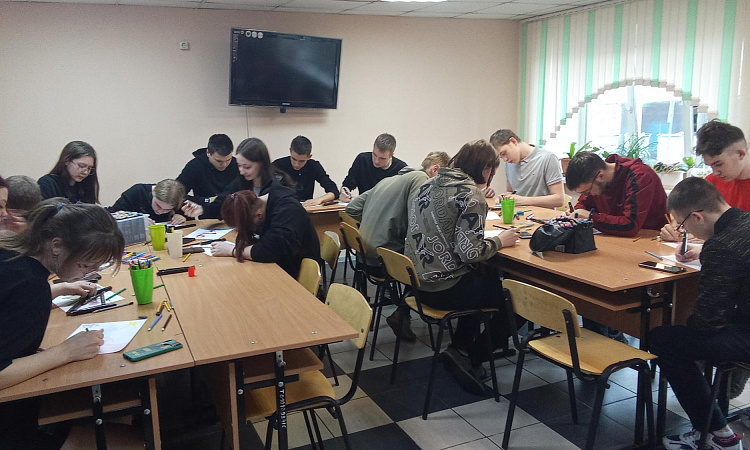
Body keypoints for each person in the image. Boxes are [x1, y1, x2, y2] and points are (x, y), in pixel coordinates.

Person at [0, 199, 124, 449]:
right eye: (85, 265)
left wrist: (57, 289)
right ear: (57, 246)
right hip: (10, 427)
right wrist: (66, 351)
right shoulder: (30, 288)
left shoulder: (12, 257)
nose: (87, 273)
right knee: (138, 440)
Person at [404, 140, 519, 395]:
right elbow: (470, 253)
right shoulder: (470, 194)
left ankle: (459, 349)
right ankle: (473, 356)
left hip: (418, 284)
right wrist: (500, 241)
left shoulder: (428, 184)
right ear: (486, 168)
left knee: (483, 280)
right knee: (516, 302)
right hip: (445, 289)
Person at [650, 177, 749, 450]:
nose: (683, 231)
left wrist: (688, 323)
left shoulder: (721, 246)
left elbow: (708, 323)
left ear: (697, 217)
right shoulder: (744, 222)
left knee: (664, 339)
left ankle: (720, 435)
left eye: (682, 225)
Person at [345, 151, 451, 341]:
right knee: (429, 260)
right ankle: (406, 311)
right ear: (435, 170)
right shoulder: (421, 179)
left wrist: (375, 220)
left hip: (365, 257)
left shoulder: (388, 180)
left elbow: (351, 208)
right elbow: (417, 220)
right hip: (384, 259)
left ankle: (403, 311)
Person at [661, 121, 750, 242]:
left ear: (740, 154)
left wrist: (714, 239)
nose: (715, 172)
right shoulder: (711, 182)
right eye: (711, 166)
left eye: (718, 164)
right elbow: (687, 214)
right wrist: (677, 227)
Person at [210, 187, 321, 279]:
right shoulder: (264, 204)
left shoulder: (287, 209)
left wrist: (233, 251)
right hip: (282, 266)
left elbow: (270, 250)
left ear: (259, 214)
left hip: (297, 274)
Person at [183, 138, 293, 219]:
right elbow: (224, 201)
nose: (241, 171)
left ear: (261, 164)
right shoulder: (242, 180)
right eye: (239, 166)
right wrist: (202, 209)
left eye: (247, 167)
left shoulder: (280, 182)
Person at [566, 151, 668, 237]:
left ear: (600, 176)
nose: (587, 195)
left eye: (587, 191)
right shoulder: (595, 179)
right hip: (617, 238)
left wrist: (591, 216)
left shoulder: (640, 176)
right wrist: (576, 213)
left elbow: (630, 225)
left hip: (651, 237)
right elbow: (584, 204)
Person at [489, 129, 565, 208]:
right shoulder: (509, 164)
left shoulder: (548, 158)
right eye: (501, 157)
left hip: (542, 214)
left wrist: (523, 201)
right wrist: (505, 196)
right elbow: (512, 192)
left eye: (504, 153)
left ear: (513, 141)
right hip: (519, 213)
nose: (505, 159)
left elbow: (559, 199)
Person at [273, 136, 339, 206]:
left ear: (309, 156)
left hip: (306, 207)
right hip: (282, 206)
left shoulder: (314, 166)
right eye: (294, 159)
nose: (296, 164)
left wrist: (319, 199)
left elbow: (334, 191)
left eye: (302, 161)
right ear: (290, 151)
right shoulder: (278, 165)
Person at [339, 133, 406, 202]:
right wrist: (344, 193)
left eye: (382, 158)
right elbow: (347, 185)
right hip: (364, 206)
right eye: (374, 155)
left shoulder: (401, 169)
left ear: (391, 155)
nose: (376, 161)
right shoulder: (362, 160)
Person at [176, 134, 238, 206]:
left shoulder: (238, 165)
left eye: (228, 160)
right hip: (205, 210)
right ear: (208, 153)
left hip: (234, 210)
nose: (224, 165)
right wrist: (206, 200)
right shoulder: (194, 166)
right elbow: (176, 194)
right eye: (219, 161)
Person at [109, 179, 191, 225]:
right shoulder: (136, 192)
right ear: (153, 193)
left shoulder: (177, 198)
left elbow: (190, 220)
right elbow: (112, 216)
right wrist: (137, 221)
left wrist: (182, 217)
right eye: (158, 205)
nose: (160, 211)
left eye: (167, 210)